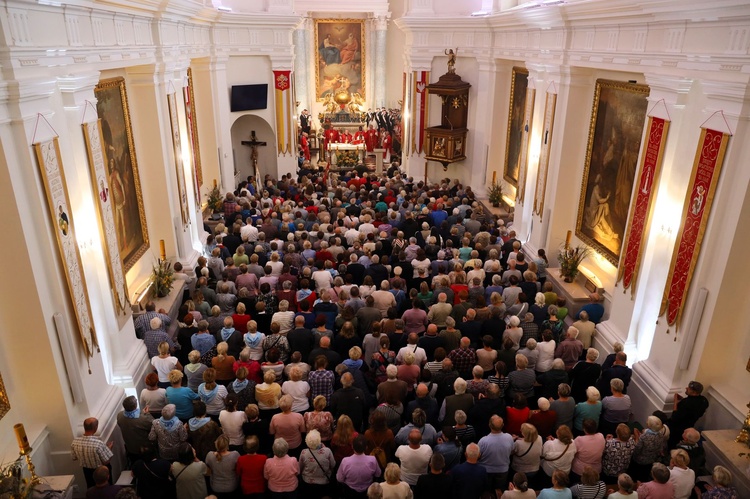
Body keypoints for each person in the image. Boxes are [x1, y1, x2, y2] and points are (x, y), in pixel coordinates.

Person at [71, 417, 114, 489]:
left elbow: (74, 458)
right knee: (106, 490)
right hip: (101, 472)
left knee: (91, 488)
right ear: (95, 427)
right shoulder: (98, 444)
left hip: (86, 472)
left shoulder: (75, 442)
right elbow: (106, 461)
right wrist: (109, 448)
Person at [665, 380, 709, 448]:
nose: (686, 388)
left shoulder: (686, 403)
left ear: (694, 392)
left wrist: (675, 402)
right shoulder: (704, 400)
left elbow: (674, 417)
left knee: (672, 444)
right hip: (689, 425)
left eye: (689, 388)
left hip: (676, 428)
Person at [477, 414, 514, 491]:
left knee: (487, 490)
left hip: (486, 470)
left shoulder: (483, 441)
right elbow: (511, 451)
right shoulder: (509, 437)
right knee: (500, 490)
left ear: (489, 425)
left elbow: (478, 456)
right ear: (503, 425)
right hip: (502, 470)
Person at [116, 395, 154, 465]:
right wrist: (147, 414)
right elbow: (153, 424)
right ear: (135, 405)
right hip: (143, 448)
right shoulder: (142, 419)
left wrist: (142, 413)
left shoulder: (120, 415)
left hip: (130, 446)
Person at [299, 429, 336, 496]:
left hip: (307, 483)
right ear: (319, 440)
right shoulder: (327, 451)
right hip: (324, 482)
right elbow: (333, 465)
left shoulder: (303, 452)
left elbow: (300, 468)